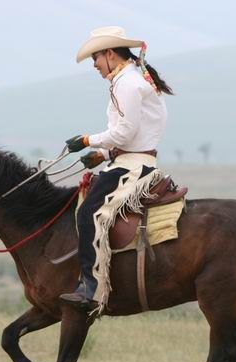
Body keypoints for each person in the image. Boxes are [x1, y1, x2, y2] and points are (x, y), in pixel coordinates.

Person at [60, 26, 173, 313]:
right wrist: (103, 154)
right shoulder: (128, 80)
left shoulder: (127, 83)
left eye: (96, 58)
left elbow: (124, 132)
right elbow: (133, 134)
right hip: (128, 159)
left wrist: (88, 141)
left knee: (90, 214)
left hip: (135, 167)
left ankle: (92, 287)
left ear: (110, 54)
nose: (95, 66)